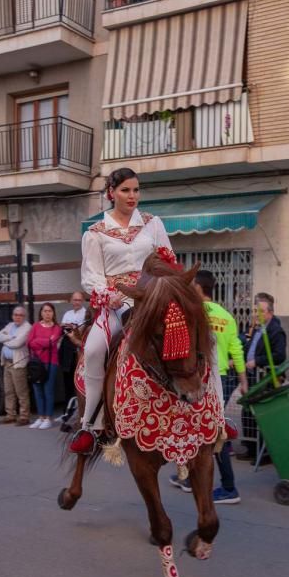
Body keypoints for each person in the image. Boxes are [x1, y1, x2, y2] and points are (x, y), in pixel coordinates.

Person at [72, 167, 172, 454]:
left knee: (197, 335)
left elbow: (168, 259)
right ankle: (90, 423)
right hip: (116, 304)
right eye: (126, 190)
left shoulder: (153, 224)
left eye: (136, 190)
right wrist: (108, 295)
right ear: (111, 193)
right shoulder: (95, 233)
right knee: (92, 351)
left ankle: (212, 416)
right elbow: (90, 276)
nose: (132, 196)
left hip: (152, 299)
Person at [172, 269, 248, 504]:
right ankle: (187, 476)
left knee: (212, 433)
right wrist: (243, 381)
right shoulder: (226, 315)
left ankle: (228, 487)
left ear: (197, 288)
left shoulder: (192, 313)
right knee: (200, 428)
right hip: (222, 379)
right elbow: (236, 349)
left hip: (200, 379)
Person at [238, 294, 286, 464]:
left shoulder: (276, 330)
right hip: (252, 376)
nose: (255, 314)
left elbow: (280, 355)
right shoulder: (258, 328)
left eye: (259, 311)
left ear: (269, 313)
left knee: (263, 414)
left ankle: (264, 452)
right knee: (247, 411)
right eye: (254, 311)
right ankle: (251, 448)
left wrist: (257, 361)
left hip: (264, 377)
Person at [27, 302, 62, 430]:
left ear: (53, 313)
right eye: (45, 311)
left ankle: (48, 418)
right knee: (37, 389)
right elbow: (30, 343)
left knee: (48, 390)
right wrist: (45, 341)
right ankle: (40, 417)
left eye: (50, 311)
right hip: (36, 363)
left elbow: (53, 341)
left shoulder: (57, 328)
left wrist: (38, 341)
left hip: (50, 362)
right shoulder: (35, 326)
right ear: (41, 313)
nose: (47, 313)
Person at [0, 305, 31, 426]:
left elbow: (17, 343)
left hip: (18, 363)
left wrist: (5, 340)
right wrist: (10, 337)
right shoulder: (10, 326)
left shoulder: (27, 327)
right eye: (15, 315)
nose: (17, 317)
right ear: (12, 316)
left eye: (20, 315)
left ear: (24, 316)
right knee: (9, 391)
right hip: (7, 363)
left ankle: (24, 416)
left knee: (21, 391)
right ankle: (10, 415)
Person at [59, 292, 87, 413]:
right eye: (75, 300)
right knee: (67, 382)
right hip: (67, 351)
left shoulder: (86, 313)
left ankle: (78, 412)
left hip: (78, 350)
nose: (77, 302)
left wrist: (72, 328)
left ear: (82, 301)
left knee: (78, 382)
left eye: (79, 300)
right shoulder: (67, 313)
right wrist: (68, 327)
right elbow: (62, 327)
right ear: (71, 300)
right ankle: (66, 412)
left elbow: (82, 331)